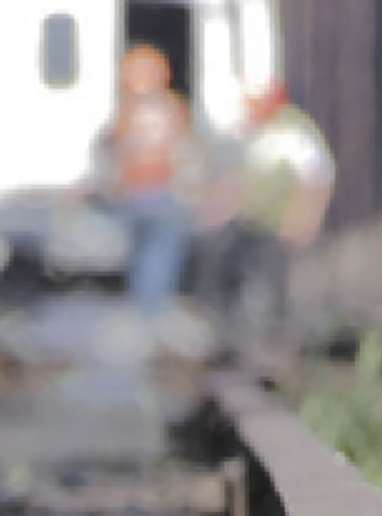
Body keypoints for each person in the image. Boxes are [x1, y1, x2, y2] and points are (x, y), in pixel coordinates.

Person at [193, 81, 335, 339]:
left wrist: (305, 217)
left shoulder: (293, 132)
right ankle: (225, 330)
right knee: (222, 263)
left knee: (271, 282)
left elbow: (317, 177)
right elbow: (244, 176)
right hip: (250, 218)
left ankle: (273, 337)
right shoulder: (255, 131)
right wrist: (219, 205)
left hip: (277, 222)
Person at [98, 44, 202, 321]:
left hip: (143, 191)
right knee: (157, 251)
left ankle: (146, 306)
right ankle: (151, 308)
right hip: (155, 191)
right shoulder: (170, 108)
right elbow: (185, 150)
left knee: (148, 250)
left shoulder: (128, 111)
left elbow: (114, 151)